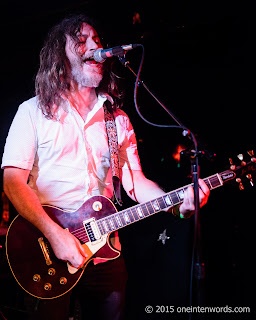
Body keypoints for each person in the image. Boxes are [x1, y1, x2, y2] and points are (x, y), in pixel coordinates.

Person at [1, 14, 210, 320]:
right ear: (60, 55)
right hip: (45, 248)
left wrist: (177, 205)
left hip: (105, 255)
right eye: (81, 41)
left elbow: (134, 180)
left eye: (97, 41)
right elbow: (12, 182)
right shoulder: (32, 112)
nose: (94, 47)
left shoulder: (117, 120)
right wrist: (56, 236)